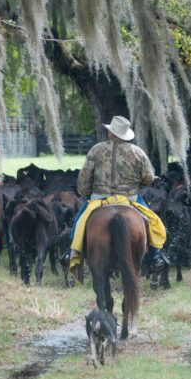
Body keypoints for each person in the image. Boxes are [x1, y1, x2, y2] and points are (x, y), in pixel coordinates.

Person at [68, 115, 164, 270]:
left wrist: (84, 193)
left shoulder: (96, 150)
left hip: (100, 198)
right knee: (153, 222)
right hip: (130, 199)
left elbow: (84, 176)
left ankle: (71, 252)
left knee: (78, 222)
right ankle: (155, 256)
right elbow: (147, 177)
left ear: (111, 133)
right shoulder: (137, 152)